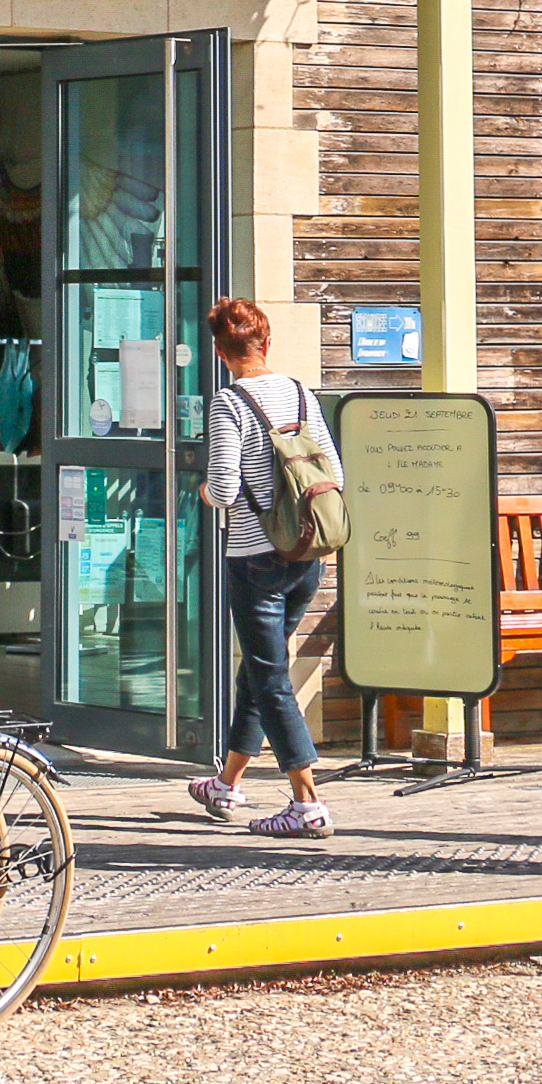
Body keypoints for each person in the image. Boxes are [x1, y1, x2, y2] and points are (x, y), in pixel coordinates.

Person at [184, 296, 343, 841]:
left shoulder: (228, 403)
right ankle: (226, 783)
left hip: (255, 561)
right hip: (307, 557)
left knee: (269, 675)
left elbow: (225, 486)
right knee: (260, 666)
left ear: (220, 351)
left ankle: (308, 802)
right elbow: (334, 472)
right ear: (266, 343)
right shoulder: (300, 392)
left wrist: (204, 492)